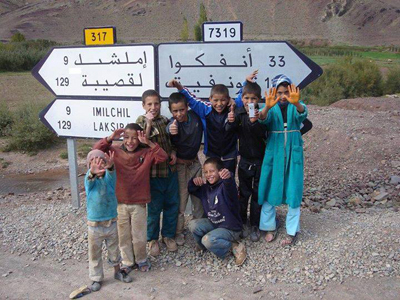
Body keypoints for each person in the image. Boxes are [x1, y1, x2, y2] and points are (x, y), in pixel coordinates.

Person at [93, 124, 168, 273]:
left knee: (139, 235)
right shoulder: (115, 151)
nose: (130, 141)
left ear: (140, 138)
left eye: (134, 138)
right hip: (120, 202)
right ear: (122, 138)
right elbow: (96, 151)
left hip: (139, 202)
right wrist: (109, 138)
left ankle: (141, 259)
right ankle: (127, 261)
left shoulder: (146, 153)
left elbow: (163, 156)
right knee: (123, 235)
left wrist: (149, 142)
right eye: (126, 137)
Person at [258, 74, 308, 246]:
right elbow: (263, 120)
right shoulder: (271, 107)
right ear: (274, 92)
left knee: (294, 190)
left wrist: (296, 103)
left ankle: (291, 231)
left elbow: (303, 114)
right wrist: (266, 107)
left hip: (293, 152)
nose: (283, 95)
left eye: (286, 92)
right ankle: (269, 226)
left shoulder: (296, 105)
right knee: (270, 187)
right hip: (275, 152)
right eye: (279, 92)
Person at [136, 90, 180, 256]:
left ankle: (168, 236)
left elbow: (171, 142)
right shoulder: (140, 122)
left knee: (171, 205)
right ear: (143, 106)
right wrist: (148, 124)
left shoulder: (165, 120)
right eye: (149, 104)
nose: (153, 107)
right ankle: (152, 239)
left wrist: (174, 152)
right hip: (153, 174)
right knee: (154, 209)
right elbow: (142, 144)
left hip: (169, 170)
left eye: (156, 104)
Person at [225, 71, 267, 242]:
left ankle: (255, 224)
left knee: (258, 195)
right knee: (244, 193)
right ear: (242, 98)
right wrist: (230, 120)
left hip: (261, 162)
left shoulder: (263, 115)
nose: (250, 102)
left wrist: (255, 121)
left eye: (254, 99)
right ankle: (242, 222)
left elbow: (263, 134)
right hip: (244, 162)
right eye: (247, 98)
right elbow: (229, 132)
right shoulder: (239, 113)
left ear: (259, 100)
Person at [168, 80, 242, 174]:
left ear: (228, 99)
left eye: (223, 100)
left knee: (228, 181)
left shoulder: (232, 107)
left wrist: (246, 83)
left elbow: (242, 98)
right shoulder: (205, 109)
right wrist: (179, 87)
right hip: (211, 154)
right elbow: (191, 99)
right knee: (212, 182)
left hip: (229, 155)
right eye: (215, 100)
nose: (219, 104)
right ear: (210, 99)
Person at [84, 149, 132, 292]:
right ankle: (96, 277)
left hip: (111, 222)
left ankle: (117, 271)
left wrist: (110, 166)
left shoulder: (109, 179)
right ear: (89, 165)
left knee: (114, 249)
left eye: (102, 161)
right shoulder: (89, 179)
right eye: (94, 162)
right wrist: (92, 172)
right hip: (94, 225)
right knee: (94, 253)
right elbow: (88, 181)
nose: (99, 164)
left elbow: (111, 173)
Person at [187, 158, 246, 266]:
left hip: (230, 228)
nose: (209, 174)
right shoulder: (205, 189)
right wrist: (194, 182)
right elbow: (191, 189)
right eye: (206, 172)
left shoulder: (226, 187)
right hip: (216, 224)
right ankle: (205, 247)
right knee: (192, 225)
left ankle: (233, 246)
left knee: (207, 239)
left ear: (220, 171)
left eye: (212, 171)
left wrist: (228, 177)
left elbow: (230, 186)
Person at [166, 92, 204, 246]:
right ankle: (178, 232)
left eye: (181, 110)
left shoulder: (196, 117)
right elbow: (168, 129)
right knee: (181, 200)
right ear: (170, 111)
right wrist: (170, 129)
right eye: (175, 111)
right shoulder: (171, 124)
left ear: (187, 107)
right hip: (180, 167)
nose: (179, 114)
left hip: (195, 163)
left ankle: (198, 229)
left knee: (198, 199)